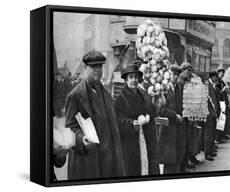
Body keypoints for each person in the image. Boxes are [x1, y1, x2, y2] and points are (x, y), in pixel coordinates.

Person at [64, 50, 125, 180]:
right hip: (88, 158)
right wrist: (81, 139)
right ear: (85, 67)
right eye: (93, 66)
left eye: (100, 66)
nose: (98, 70)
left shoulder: (105, 92)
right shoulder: (75, 95)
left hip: (107, 156)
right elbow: (69, 127)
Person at [114, 64, 159, 176]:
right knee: (133, 169)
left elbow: (151, 109)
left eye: (135, 77)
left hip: (146, 137)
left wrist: (150, 113)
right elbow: (117, 119)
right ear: (125, 80)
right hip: (131, 141)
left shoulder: (142, 94)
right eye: (131, 77)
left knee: (148, 165)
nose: (134, 80)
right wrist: (130, 123)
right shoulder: (120, 98)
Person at [158, 64, 187, 174]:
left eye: (177, 75)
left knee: (177, 159)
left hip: (176, 129)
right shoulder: (164, 88)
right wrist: (174, 115)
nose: (175, 77)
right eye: (173, 74)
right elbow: (160, 109)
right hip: (168, 129)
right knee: (169, 160)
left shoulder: (176, 88)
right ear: (169, 74)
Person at [205, 71, 220, 161]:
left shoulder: (211, 85)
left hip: (213, 113)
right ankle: (207, 153)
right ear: (212, 77)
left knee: (212, 133)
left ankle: (210, 150)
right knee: (208, 134)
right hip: (209, 113)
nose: (216, 79)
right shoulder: (208, 85)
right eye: (215, 77)